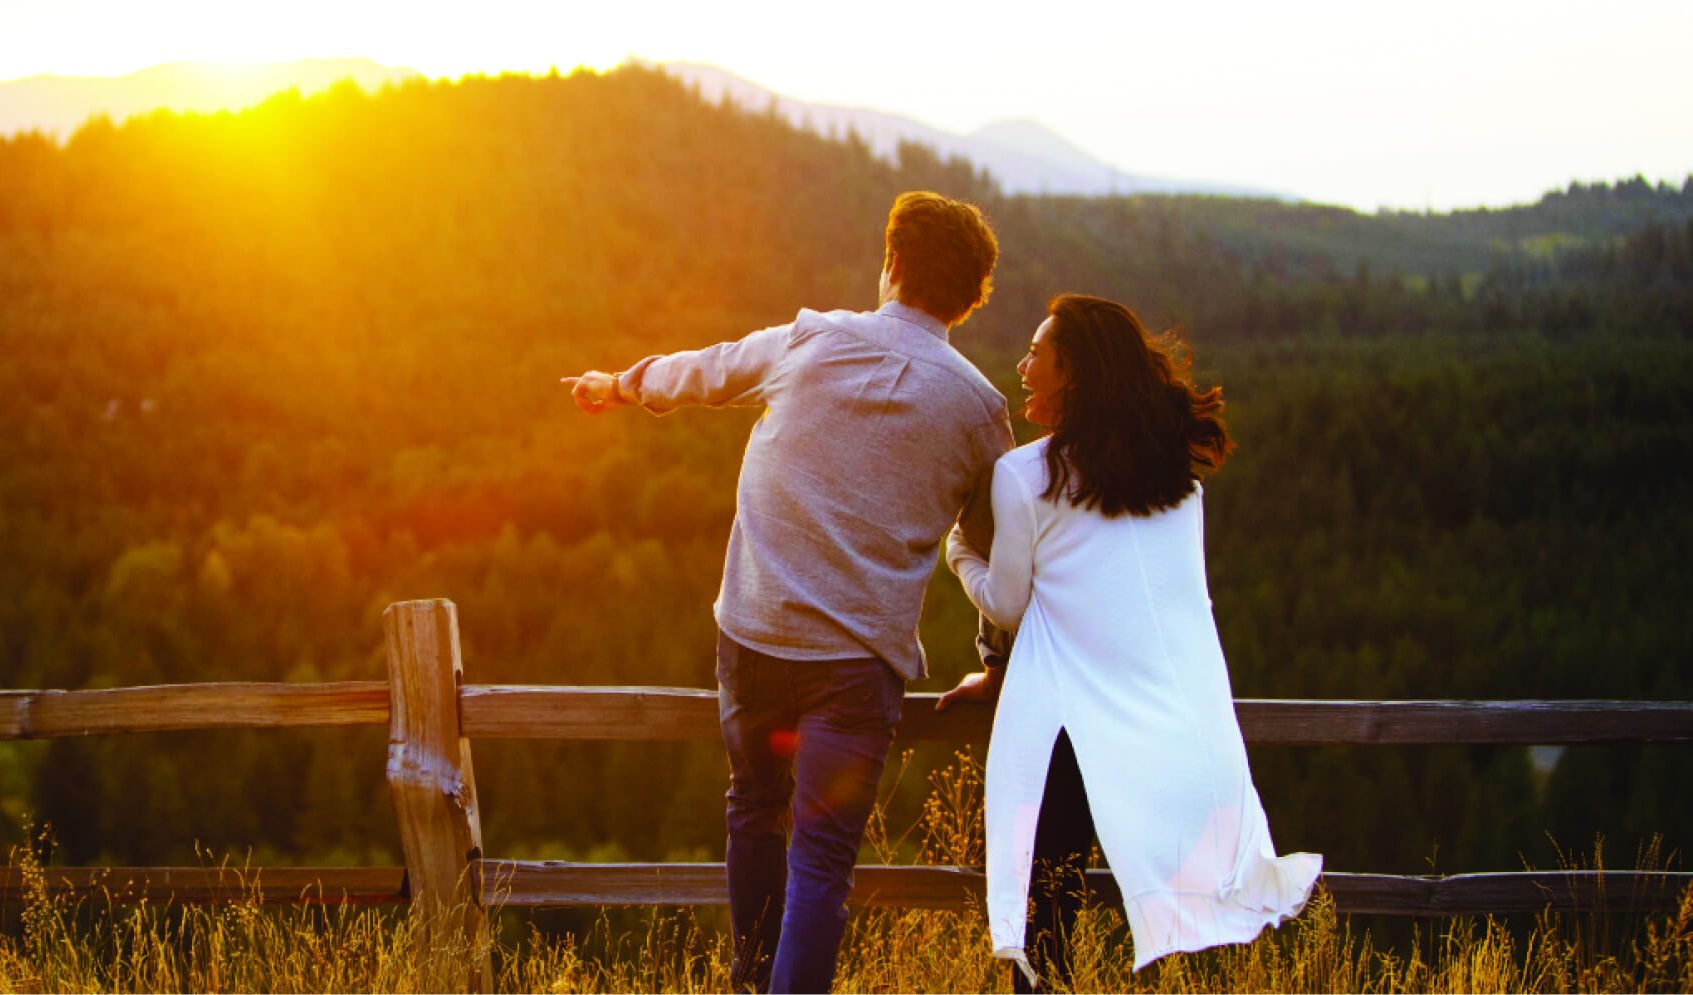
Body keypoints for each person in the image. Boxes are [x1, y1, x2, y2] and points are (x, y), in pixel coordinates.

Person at [563, 192, 1013, 994]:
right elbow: (993, 548)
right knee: (822, 862)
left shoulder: (811, 339)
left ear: (893, 265)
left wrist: (618, 385)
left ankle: (750, 978)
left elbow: (704, 369)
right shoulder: (982, 410)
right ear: (972, 298)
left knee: (754, 807)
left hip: (755, 637)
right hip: (856, 667)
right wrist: (996, 661)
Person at [940, 294, 1323, 990]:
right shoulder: (1175, 483)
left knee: (1046, 902)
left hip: (1065, 727)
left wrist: (960, 551)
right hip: (1165, 722)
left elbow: (1007, 601)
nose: (1022, 367)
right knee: (1149, 895)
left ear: (1074, 377)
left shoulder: (1025, 477)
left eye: (1038, 357)